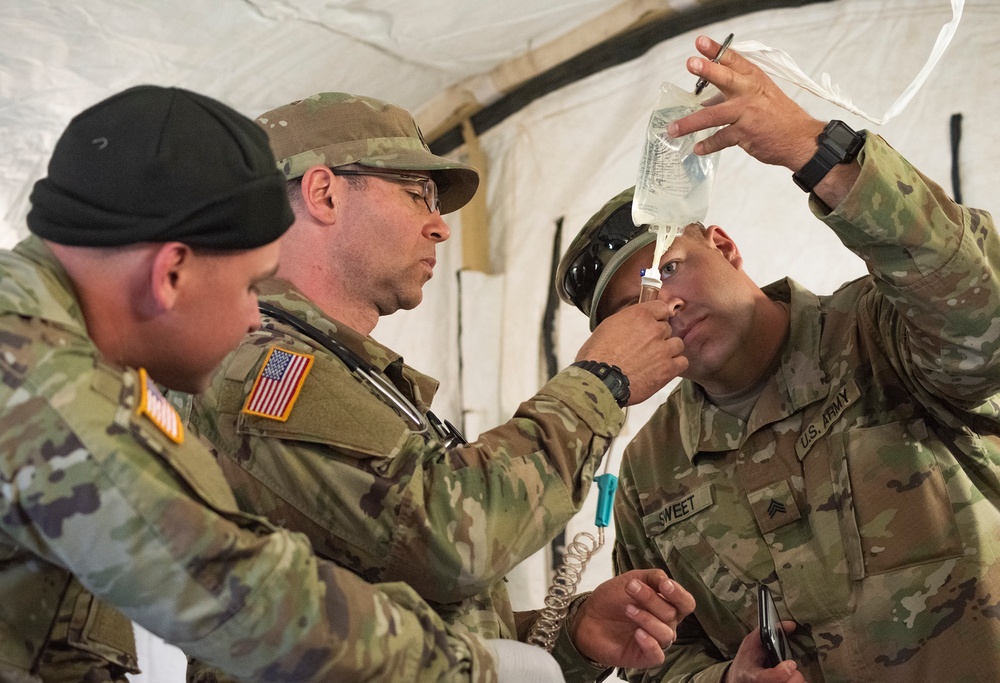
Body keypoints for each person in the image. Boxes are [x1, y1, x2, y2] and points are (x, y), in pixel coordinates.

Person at [0, 84, 564, 683]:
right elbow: (234, 588)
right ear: (169, 274)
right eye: (249, 287)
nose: (252, 317)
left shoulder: (58, 350)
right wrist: (470, 671)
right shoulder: (45, 384)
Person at [184, 91, 694, 681]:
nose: (439, 227)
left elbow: (406, 623)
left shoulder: (336, 367)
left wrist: (572, 634)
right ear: (324, 193)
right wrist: (599, 382)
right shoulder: (265, 369)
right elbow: (450, 542)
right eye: (416, 194)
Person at [557, 35, 1000, 683]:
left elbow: (981, 314)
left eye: (671, 266)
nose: (667, 304)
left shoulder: (881, 333)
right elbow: (655, 651)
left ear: (726, 245)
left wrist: (815, 149)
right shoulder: (652, 471)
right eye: (636, 305)